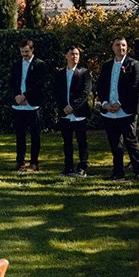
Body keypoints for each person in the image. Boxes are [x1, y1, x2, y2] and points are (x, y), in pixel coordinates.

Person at [96, 37, 139, 182]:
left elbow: (135, 87)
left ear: (127, 48)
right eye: (117, 45)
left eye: (123, 45)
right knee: (115, 144)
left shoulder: (133, 64)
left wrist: (120, 103)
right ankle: (118, 173)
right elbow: (101, 86)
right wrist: (105, 103)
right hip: (109, 111)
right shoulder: (106, 66)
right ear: (113, 47)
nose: (120, 48)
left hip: (126, 110)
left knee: (131, 142)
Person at [7, 39, 49, 171]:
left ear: (32, 50)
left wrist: (25, 96)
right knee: (20, 135)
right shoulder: (16, 64)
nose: (24, 54)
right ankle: (20, 162)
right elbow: (12, 82)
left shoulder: (40, 65)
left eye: (26, 51)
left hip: (33, 104)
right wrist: (17, 96)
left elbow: (39, 84)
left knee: (35, 135)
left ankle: (34, 162)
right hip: (18, 104)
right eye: (22, 52)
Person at [54, 44, 93, 177]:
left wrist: (73, 106)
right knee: (67, 142)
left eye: (76, 54)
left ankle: (82, 166)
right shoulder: (60, 74)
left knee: (82, 141)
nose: (74, 56)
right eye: (72, 54)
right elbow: (57, 92)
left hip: (79, 114)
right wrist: (64, 106)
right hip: (65, 114)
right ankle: (68, 167)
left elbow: (85, 92)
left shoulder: (84, 72)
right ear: (66, 56)